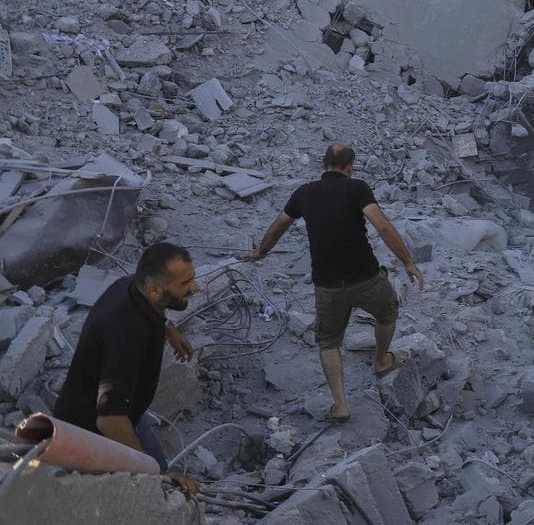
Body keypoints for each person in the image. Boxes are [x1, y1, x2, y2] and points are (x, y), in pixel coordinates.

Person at [245, 143, 426, 423]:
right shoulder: (357, 188)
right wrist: (408, 262)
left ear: (322, 163)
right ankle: (381, 361)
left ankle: (340, 405)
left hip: (327, 286)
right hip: (367, 278)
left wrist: (261, 252)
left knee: (329, 341)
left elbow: (279, 224)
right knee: (387, 313)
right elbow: (383, 226)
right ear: (350, 166)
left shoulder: (303, 193)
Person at [53, 242, 201, 498]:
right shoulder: (127, 337)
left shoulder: (129, 286)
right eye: (185, 283)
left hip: (127, 410)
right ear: (155, 290)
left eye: (192, 278)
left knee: (157, 471)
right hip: (95, 436)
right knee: (157, 488)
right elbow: (109, 420)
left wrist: (166, 328)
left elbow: (150, 304)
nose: (194, 287)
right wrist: (155, 477)